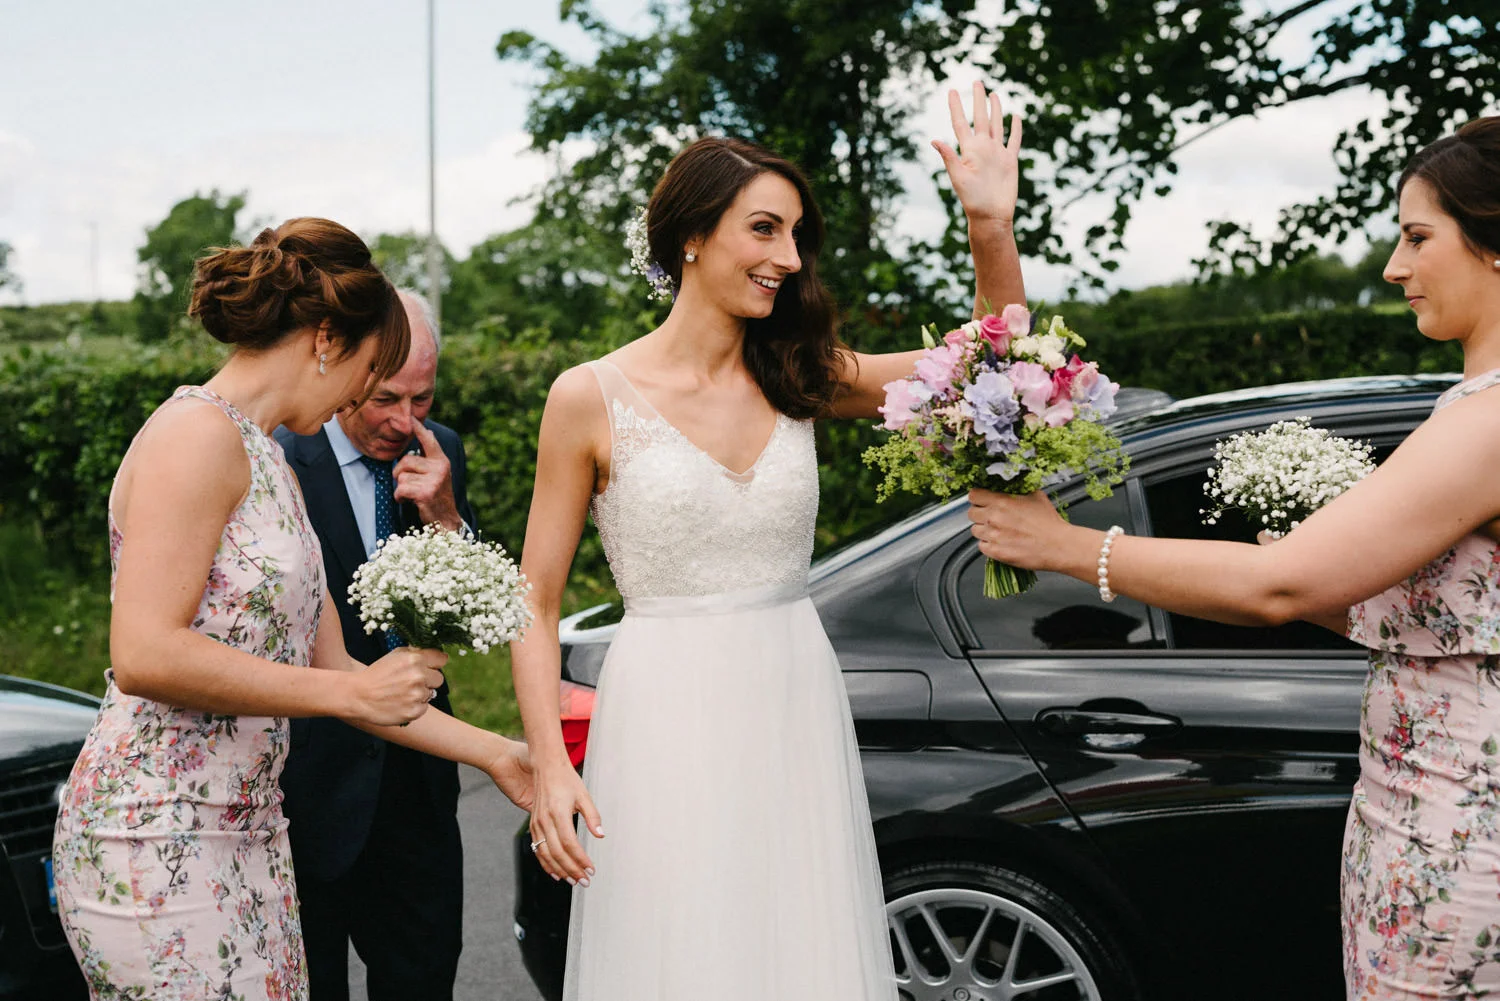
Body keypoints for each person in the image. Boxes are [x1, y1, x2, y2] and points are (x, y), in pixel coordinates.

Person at [511, 84, 1025, 1000]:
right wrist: (551, 763)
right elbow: (536, 601)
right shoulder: (588, 396)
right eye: (764, 230)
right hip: (664, 711)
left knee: (798, 949)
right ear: (692, 237)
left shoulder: (803, 375)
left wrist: (990, 226)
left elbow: (999, 368)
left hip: (792, 693)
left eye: (794, 236)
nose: (788, 258)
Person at [966, 117, 1500, 999]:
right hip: (1416, 818)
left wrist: (1065, 546)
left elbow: (1277, 586)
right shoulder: (1466, 409)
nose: (1393, 268)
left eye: (1416, 237)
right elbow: (1426, 618)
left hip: (1463, 835)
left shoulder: (1485, 423)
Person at [50, 219, 532, 1001]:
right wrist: (349, 692)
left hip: (252, 831)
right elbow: (143, 652)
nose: (370, 404)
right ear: (326, 340)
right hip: (159, 828)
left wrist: (498, 751)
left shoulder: (269, 456)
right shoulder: (193, 433)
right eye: (371, 371)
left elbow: (338, 669)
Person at [275, 289, 474, 1001]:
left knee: (423, 982)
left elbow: (473, 610)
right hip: (308, 788)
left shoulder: (440, 448)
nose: (404, 421)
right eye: (388, 396)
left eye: (422, 399)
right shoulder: (275, 456)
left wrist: (447, 515)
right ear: (352, 370)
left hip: (417, 787)